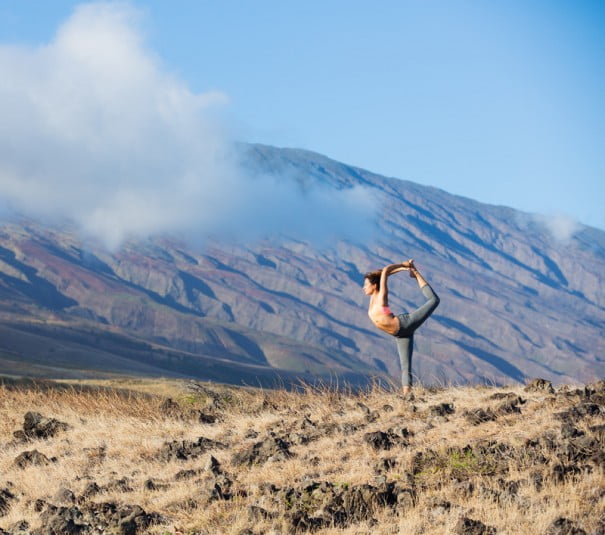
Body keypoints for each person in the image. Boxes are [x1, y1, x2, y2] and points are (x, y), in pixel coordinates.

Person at [363, 260, 440, 396]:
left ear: (374, 286)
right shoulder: (372, 299)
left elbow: (385, 271)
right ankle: (407, 396)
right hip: (400, 334)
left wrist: (403, 265)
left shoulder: (381, 297)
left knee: (434, 300)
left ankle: (416, 274)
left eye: (366, 285)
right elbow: (383, 275)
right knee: (405, 366)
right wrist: (402, 269)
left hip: (405, 323)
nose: (363, 288)